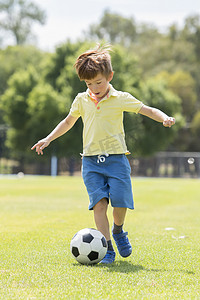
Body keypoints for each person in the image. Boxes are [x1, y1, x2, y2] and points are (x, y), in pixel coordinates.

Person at [31, 45, 175, 264]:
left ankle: (118, 230)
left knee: (120, 203)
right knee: (99, 204)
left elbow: (147, 109)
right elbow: (68, 121)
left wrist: (164, 117)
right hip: (90, 162)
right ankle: (107, 248)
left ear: (110, 76)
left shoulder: (120, 98)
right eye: (89, 83)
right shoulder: (81, 100)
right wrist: (48, 138)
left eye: (98, 82)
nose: (94, 87)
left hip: (117, 159)